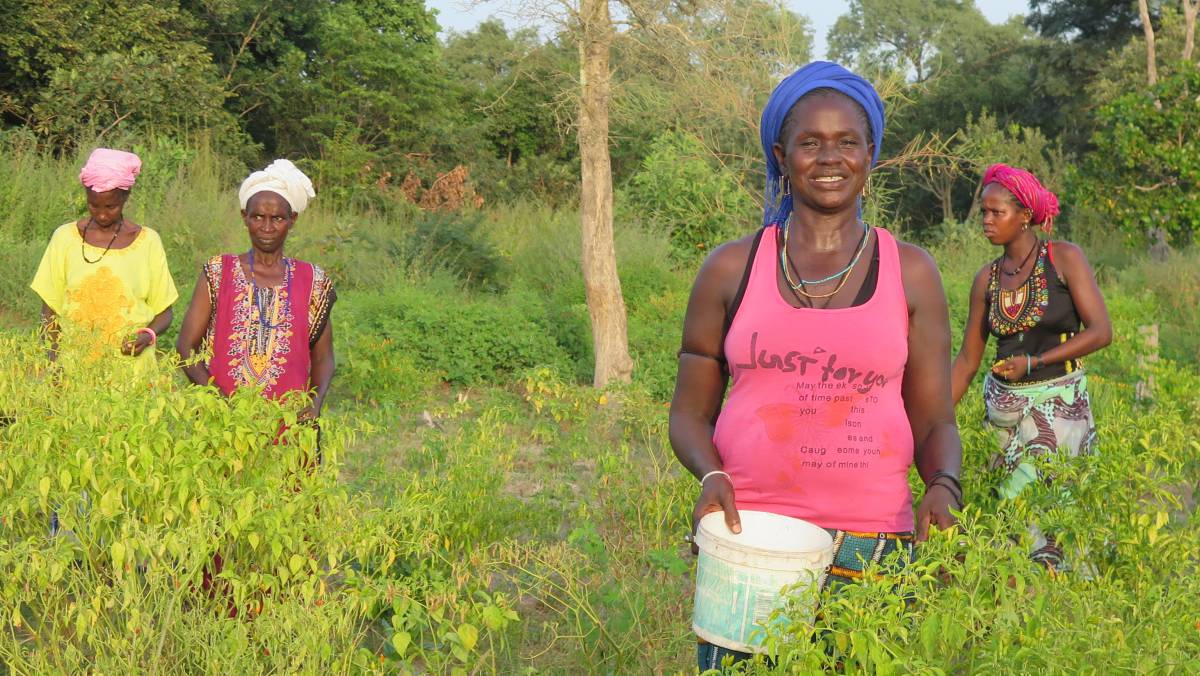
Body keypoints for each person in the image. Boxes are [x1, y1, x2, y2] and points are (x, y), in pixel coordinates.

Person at [669, 62, 963, 671]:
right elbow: (689, 413)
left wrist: (943, 485)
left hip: (873, 548)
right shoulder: (730, 269)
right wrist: (707, 477)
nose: (830, 158)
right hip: (751, 540)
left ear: (871, 154)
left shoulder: (911, 272)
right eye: (810, 143)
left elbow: (934, 419)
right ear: (781, 156)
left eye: (847, 142)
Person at [951, 163, 1111, 569]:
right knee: (1008, 517)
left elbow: (1100, 331)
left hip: (1060, 411)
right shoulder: (985, 279)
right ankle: (1016, 613)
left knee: (1054, 513)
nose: (986, 221)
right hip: (1004, 415)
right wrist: (932, 419)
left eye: (996, 212)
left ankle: (1059, 606)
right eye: (983, 212)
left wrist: (1035, 361)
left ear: (1024, 216)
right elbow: (969, 360)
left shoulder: (1064, 259)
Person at [175, 159, 336, 419]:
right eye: (258, 217)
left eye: (278, 218)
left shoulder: (312, 280)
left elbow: (323, 358)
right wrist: (220, 405)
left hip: (290, 422)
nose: (267, 228)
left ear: (292, 219)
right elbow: (186, 347)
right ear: (244, 217)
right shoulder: (219, 271)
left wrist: (315, 403)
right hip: (223, 426)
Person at [30, 148, 178, 364]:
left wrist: (148, 335)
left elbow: (165, 313)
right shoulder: (65, 238)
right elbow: (49, 310)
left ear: (126, 196)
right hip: (76, 369)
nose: (101, 214)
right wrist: (54, 364)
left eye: (111, 206)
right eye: (93, 205)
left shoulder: (148, 242)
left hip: (132, 372)